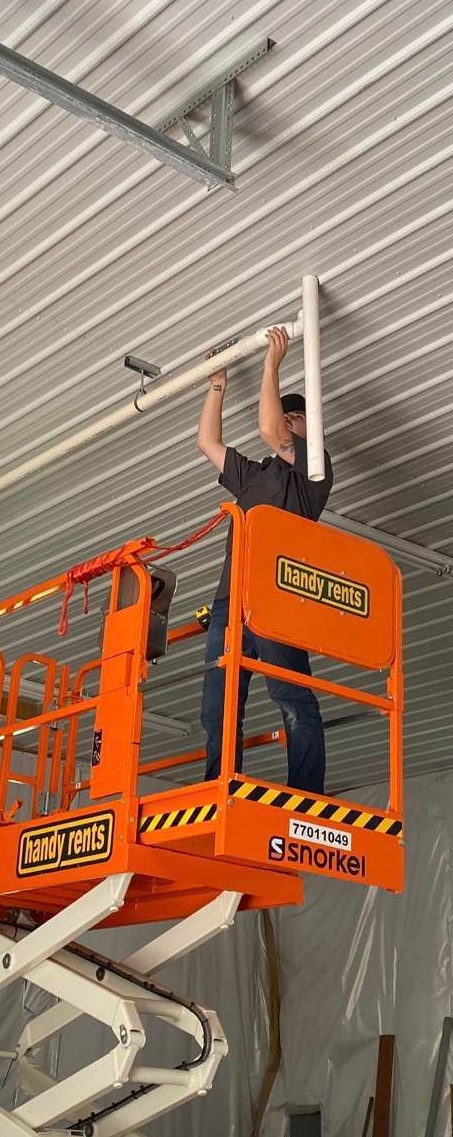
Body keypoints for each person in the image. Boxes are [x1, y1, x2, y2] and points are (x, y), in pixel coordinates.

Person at [196, 327, 333, 793]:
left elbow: (269, 429)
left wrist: (272, 363)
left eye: (298, 417)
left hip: (275, 597)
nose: (291, 423)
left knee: (291, 698)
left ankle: (306, 794)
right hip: (229, 601)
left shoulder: (311, 470)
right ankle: (220, 786)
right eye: (290, 415)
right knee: (218, 706)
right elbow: (208, 444)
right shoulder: (254, 477)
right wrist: (217, 385)